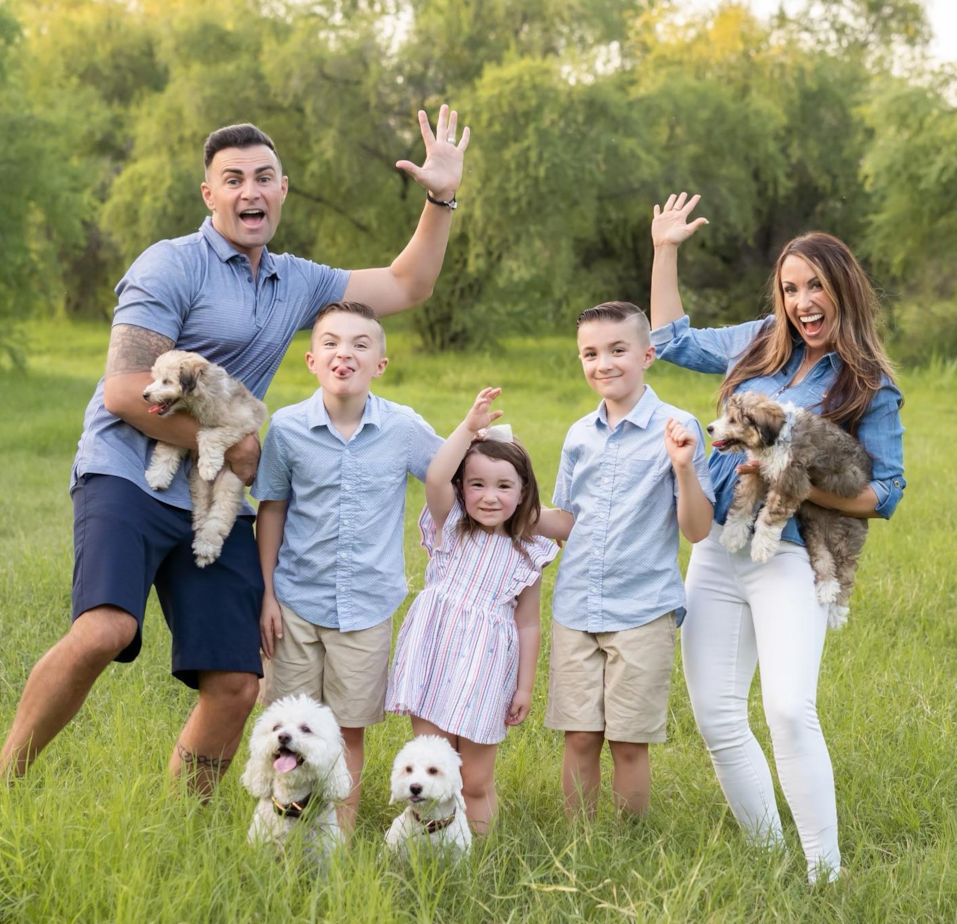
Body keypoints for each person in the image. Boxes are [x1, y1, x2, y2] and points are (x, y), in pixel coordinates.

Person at [0, 107, 470, 795]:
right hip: (128, 473)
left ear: (283, 191)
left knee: (238, 683)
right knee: (104, 630)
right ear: (209, 194)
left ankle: (181, 823)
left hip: (210, 499)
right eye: (234, 179)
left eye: (265, 178)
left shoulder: (295, 280)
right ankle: (0, 789)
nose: (251, 191)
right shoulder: (171, 264)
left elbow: (407, 284)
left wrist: (440, 196)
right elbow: (127, 391)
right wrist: (232, 447)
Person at [649, 192, 906, 882]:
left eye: (815, 285)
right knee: (717, 717)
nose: (802, 301)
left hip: (791, 555)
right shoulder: (760, 339)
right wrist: (665, 248)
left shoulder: (866, 384)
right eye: (791, 288)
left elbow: (886, 494)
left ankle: (826, 875)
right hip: (716, 552)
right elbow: (670, 341)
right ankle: (770, 863)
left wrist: (794, 480)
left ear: (842, 289)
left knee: (790, 709)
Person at [252, 301, 441, 831]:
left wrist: (486, 437)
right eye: (331, 342)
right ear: (312, 360)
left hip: (367, 607)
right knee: (288, 727)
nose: (345, 354)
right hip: (294, 604)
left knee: (347, 730)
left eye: (361, 344)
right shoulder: (287, 429)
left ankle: (340, 835)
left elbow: (452, 470)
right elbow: (271, 510)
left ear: (380, 363)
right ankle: (285, 830)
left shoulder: (402, 427)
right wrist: (267, 593)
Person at [538, 302, 714, 818]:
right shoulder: (578, 435)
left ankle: (628, 842)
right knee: (579, 737)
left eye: (618, 350)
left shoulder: (677, 427)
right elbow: (568, 521)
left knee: (629, 742)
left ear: (647, 354)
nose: (604, 364)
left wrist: (682, 467)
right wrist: (513, 506)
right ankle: (581, 840)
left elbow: (697, 529)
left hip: (642, 609)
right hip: (576, 608)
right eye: (590, 354)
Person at [385, 388, 559, 833]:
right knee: (431, 766)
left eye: (504, 487)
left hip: (486, 668)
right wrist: (468, 428)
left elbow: (528, 623)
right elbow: (436, 477)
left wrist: (524, 687)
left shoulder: (526, 553)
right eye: (477, 484)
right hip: (434, 653)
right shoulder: (451, 525)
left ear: (523, 495)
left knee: (475, 779)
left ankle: (476, 857)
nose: (489, 496)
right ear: (462, 489)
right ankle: (425, 848)